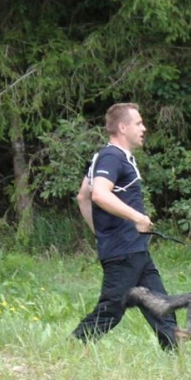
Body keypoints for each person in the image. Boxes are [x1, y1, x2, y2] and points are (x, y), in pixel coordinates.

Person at [72, 102, 179, 350]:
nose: (144, 128)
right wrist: (137, 218)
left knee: (160, 304)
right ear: (123, 127)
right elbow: (98, 194)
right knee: (111, 309)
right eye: (138, 123)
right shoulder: (112, 157)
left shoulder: (108, 157)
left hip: (133, 249)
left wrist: (101, 234)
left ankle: (176, 357)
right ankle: (73, 348)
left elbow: (82, 196)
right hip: (123, 252)